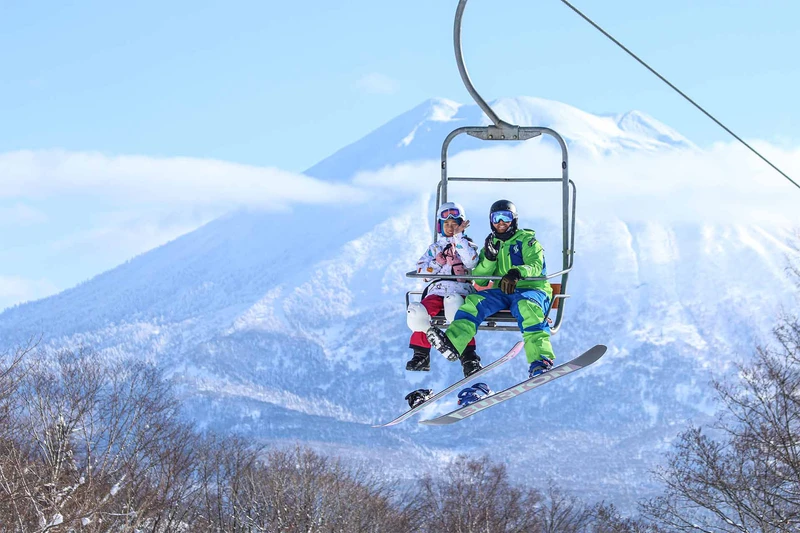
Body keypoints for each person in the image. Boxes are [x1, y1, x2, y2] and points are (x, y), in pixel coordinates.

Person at [427, 199, 556, 379]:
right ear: (491, 221)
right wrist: (489, 258)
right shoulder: (491, 243)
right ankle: (454, 343)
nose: (501, 222)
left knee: (527, 308)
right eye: (496, 218)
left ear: (514, 220)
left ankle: (540, 360)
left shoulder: (527, 241)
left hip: (532, 290)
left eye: (506, 217)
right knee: (474, 302)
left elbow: (536, 265)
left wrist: (516, 272)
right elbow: (480, 277)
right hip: (502, 290)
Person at [405, 201, 482, 378]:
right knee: (418, 312)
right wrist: (438, 262)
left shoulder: (467, 244)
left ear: (461, 224)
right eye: (446, 224)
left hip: (460, 289)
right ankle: (420, 354)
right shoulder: (434, 249)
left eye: (454, 224)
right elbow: (423, 273)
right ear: (440, 226)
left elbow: (471, 262)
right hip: (437, 289)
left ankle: (468, 357)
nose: (450, 227)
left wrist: (458, 239)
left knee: (456, 309)